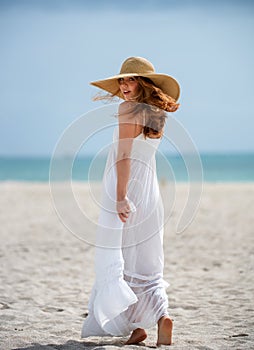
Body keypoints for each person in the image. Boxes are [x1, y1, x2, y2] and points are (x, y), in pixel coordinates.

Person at [81, 57, 180, 346]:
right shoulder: (156, 112)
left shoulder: (128, 109)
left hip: (128, 191)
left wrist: (121, 197)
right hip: (150, 193)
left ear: (144, 83)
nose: (124, 85)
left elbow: (124, 157)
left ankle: (140, 321)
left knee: (122, 257)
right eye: (122, 80)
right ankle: (155, 320)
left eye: (131, 79)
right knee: (146, 260)